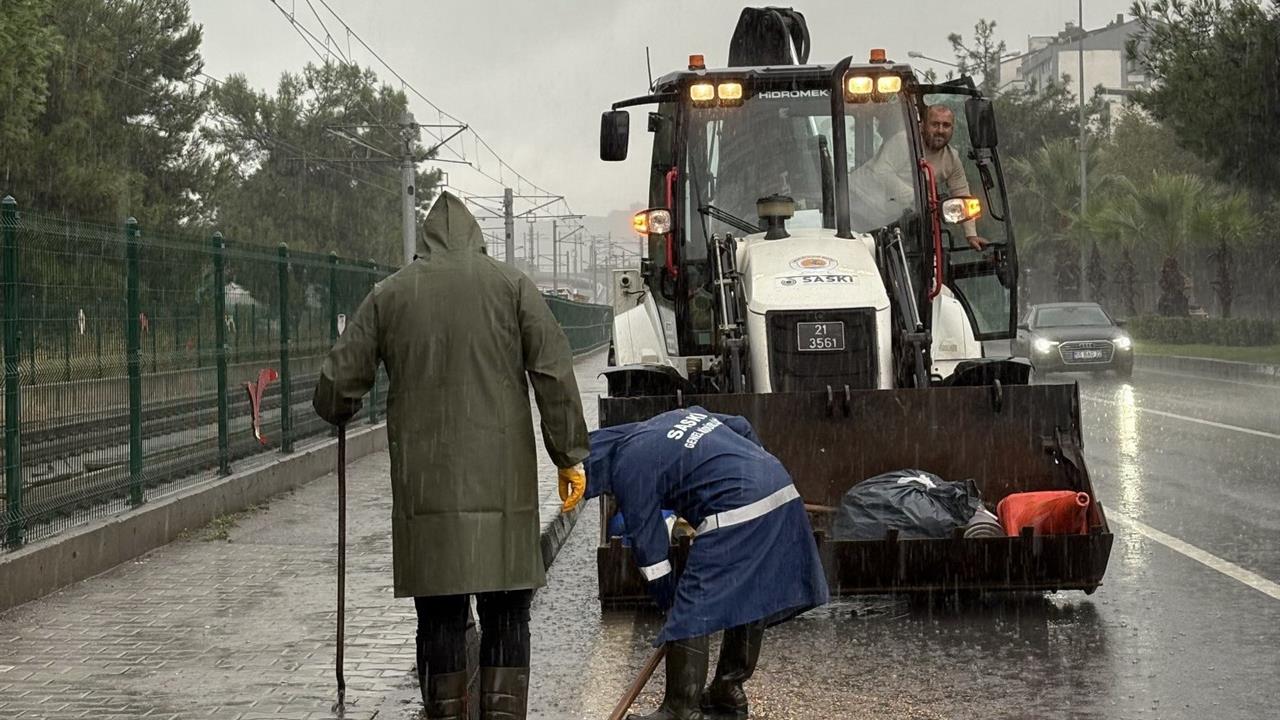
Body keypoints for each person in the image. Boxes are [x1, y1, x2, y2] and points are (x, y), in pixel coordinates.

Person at [312, 192, 590, 720]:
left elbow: (335, 388)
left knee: (439, 620)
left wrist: (342, 403)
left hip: (427, 496)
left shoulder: (390, 295)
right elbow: (553, 372)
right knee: (508, 617)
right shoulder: (512, 288)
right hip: (503, 497)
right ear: (476, 237)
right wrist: (568, 454)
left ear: (425, 242)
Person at [584, 407, 829, 720]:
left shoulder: (627, 466)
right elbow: (741, 425)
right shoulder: (673, 418)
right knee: (750, 593)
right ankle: (728, 689)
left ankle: (680, 709)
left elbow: (650, 548)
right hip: (780, 488)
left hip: (737, 508)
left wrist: (669, 600)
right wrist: (752, 468)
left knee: (692, 606)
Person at [921, 104, 989, 252]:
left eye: (946, 125)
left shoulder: (952, 159)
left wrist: (971, 235)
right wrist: (923, 199)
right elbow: (884, 178)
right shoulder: (905, 143)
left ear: (952, 129)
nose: (940, 130)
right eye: (935, 124)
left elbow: (963, 195)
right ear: (923, 125)